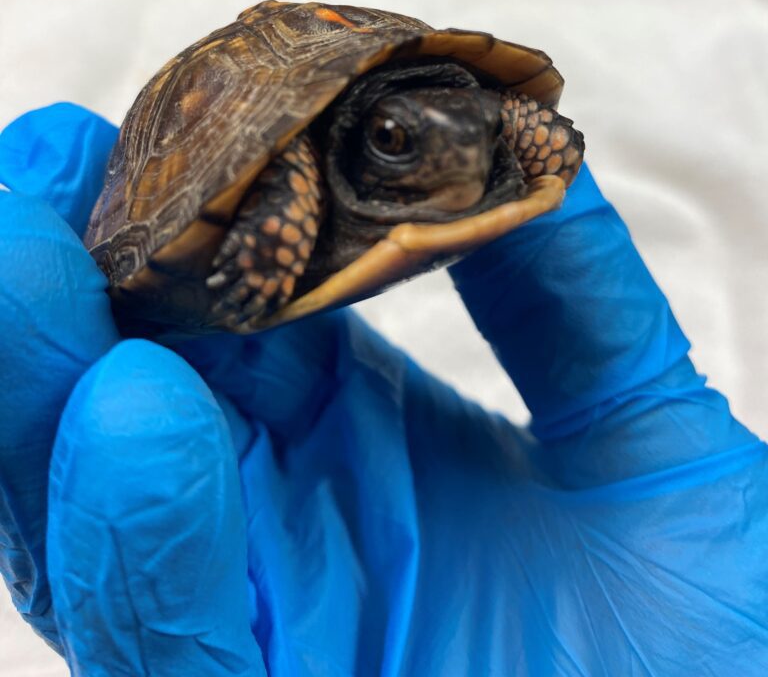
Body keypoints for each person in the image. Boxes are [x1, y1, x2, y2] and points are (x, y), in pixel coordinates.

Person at [0, 101, 766, 676]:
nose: (455, 153)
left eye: (469, 131)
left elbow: (489, 117)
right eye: (399, 144)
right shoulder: (305, 170)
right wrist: (259, 230)